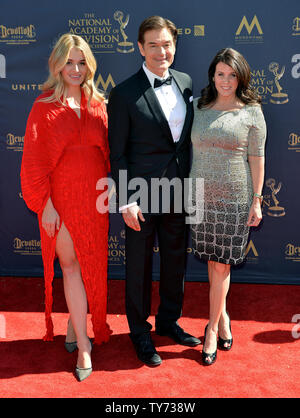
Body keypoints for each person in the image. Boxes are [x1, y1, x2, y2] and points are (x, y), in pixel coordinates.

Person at [108, 16, 200, 367]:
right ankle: (140, 333)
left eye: (167, 44)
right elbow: (117, 152)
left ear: (175, 46)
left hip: (178, 189)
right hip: (141, 195)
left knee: (175, 260)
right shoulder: (124, 92)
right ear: (140, 48)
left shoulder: (187, 82)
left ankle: (168, 321)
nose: (162, 51)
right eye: (153, 45)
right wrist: (126, 201)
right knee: (139, 267)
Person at [21, 33, 111, 381]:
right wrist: (45, 205)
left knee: (92, 266)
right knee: (71, 266)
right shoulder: (43, 107)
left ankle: (75, 329)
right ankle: (85, 346)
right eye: (69, 62)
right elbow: (32, 162)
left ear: (89, 65)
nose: (76, 69)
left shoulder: (98, 104)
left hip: (95, 199)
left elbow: (108, 154)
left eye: (81, 62)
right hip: (60, 201)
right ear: (57, 65)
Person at [189, 48, 267, 365]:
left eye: (232, 74)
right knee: (213, 262)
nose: (225, 80)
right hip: (200, 195)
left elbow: (257, 159)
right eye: (220, 73)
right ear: (212, 75)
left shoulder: (251, 112)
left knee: (221, 264)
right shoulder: (198, 107)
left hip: (234, 198)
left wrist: (258, 200)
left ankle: (210, 329)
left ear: (241, 77)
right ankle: (223, 319)